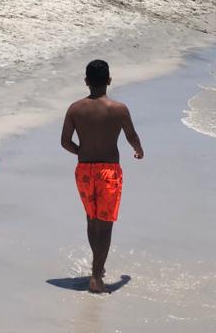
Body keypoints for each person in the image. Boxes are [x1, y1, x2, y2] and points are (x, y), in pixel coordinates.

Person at [60, 59, 144, 293]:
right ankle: (97, 277)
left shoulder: (76, 108)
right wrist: (139, 150)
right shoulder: (118, 109)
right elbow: (131, 136)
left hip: (84, 170)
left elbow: (65, 142)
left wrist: (82, 152)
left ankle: (97, 267)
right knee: (105, 225)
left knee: (91, 219)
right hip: (109, 171)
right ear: (109, 80)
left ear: (86, 81)